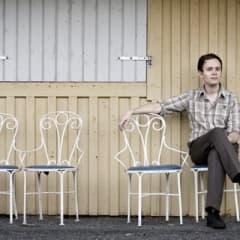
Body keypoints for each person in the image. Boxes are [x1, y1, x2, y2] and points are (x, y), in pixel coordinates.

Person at [119, 53, 240, 229]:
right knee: (216, 133)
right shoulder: (191, 97)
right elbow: (161, 106)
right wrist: (132, 111)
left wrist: (222, 142)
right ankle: (237, 172)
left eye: (217, 69)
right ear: (201, 74)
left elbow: (236, 133)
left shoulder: (231, 99)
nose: (214, 72)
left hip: (225, 148)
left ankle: (213, 213)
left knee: (217, 151)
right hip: (199, 149)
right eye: (209, 69)